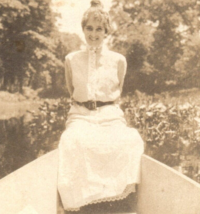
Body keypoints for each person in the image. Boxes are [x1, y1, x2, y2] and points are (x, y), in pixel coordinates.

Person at [57, 0, 144, 213]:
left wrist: (104, 110)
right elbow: (72, 90)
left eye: (99, 29)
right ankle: (80, 203)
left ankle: (116, 198)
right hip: (80, 114)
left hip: (110, 115)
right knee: (71, 141)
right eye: (89, 28)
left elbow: (117, 90)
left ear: (106, 32)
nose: (94, 34)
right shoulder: (71, 59)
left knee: (130, 139)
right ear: (83, 29)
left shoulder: (119, 60)